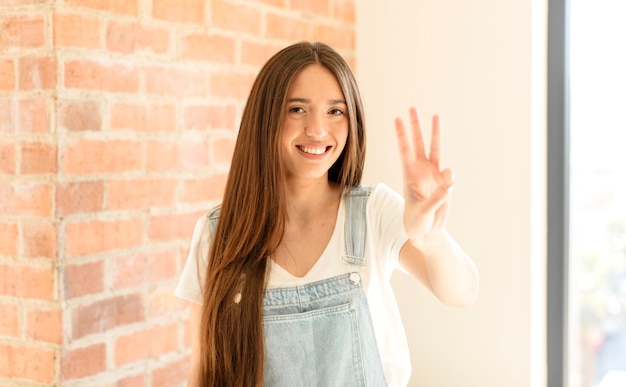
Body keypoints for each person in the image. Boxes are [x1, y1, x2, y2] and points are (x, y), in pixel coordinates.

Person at [174, 41, 479, 387]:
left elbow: (462, 292)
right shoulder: (219, 234)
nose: (318, 130)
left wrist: (430, 235)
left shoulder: (373, 212)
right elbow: (203, 373)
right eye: (297, 110)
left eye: (335, 111)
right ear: (265, 118)